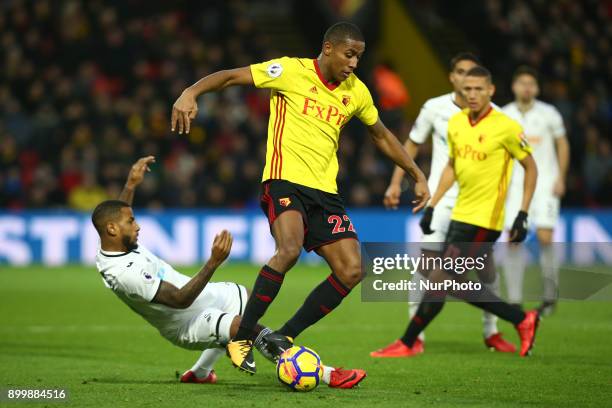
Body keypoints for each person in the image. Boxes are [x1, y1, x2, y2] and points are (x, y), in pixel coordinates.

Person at [171, 21, 430, 374]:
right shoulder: (290, 70)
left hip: (325, 192)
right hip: (283, 182)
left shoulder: (357, 92)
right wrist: (190, 92)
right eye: (349, 54)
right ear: (328, 48)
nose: (354, 63)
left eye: (359, 56)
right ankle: (242, 336)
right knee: (289, 249)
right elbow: (231, 76)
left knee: (352, 269)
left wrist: (415, 173)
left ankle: (284, 336)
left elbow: (381, 135)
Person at [93, 156, 366, 388]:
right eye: (132, 222)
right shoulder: (122, 273)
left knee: (246, 299)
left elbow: (115, 214)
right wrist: (213, 262)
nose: (137, 226)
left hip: (199, 298)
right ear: (113, 230)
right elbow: (179, 300)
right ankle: (324, 372)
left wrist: (130, 185)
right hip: (185, 322)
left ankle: (199, 373)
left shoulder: (115, 241)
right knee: (241, 328)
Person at [372, 66, 541, 358]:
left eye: (479, 89)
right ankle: (520, 319)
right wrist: (434, 205)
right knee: (447, 281)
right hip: (459, 214)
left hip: (485, 219)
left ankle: (409, 342)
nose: (472, 95)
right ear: (460, 89)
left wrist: (523, 213)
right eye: (468, 89)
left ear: (490, 91)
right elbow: (452, 166)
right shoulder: (457, 123)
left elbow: (531, 168)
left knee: (441, 279)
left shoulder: (507, 126)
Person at [502, 66, 569, 315]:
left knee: (545, 237)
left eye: (531, 84)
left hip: (545, 184)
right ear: (514, 86)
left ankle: (550, 297)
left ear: (537, 88)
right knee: (513, 240)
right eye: (522, 83)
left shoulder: (549, 113)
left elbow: (563, 144)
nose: (527, 88)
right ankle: (515, 299)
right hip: (515, 186)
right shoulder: (504, 114)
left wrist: (561, 177)